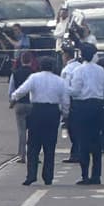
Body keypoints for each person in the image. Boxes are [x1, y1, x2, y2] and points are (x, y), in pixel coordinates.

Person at [10, 56, 70, 186]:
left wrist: (13, 97)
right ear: (53, 67)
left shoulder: (34, 78)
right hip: (53, 112)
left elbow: (21, 90)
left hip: (37, 110)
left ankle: (31, 175)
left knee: (33, 145)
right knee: (50, 146)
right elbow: (65, 100)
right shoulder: (60, 81)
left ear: (40, 66)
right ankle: (48, 177)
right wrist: (65, 114)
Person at [68, 44, 104, 185]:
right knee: (96, 142)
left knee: (83, 141)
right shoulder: (100, 70)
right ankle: (96, 175)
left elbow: (75, 91)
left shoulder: (78, 71)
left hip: (83, 107)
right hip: (98, 106)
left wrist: (65, 88)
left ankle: (85, 175)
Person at [8, 52, 34, 163]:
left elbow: (11, 90)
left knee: (22, 131)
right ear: (31, 61)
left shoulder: (15, 73)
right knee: (33, 131)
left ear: (21, 61)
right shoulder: (34, 74)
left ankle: (22, 155)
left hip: (19, 104)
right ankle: (33, 154)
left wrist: (12, 101)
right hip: (32, 104)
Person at [60, 46, 82, 164]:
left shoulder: (67, 70)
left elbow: (65, 90)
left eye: (63, 54)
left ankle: (76, 153)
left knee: (72, 130)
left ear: (66, 55)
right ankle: (78, 152)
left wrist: (65, 110)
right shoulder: (80, 66)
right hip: (81, 101)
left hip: (72, 102)